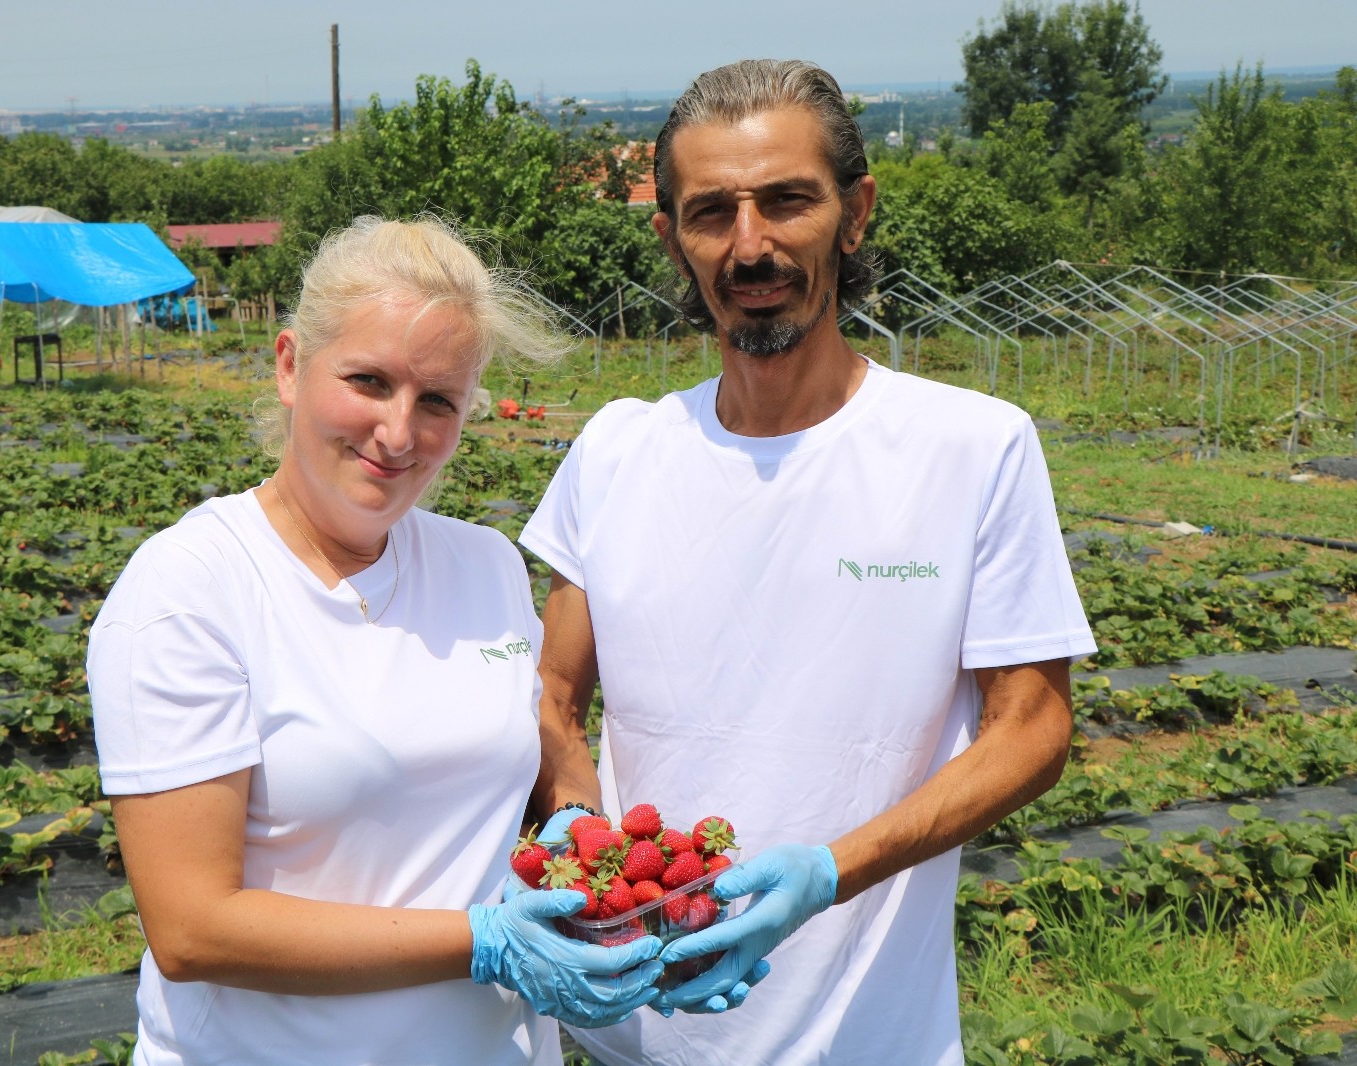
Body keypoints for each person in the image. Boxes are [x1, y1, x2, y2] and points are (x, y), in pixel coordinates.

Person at [519, 60, 1097, 1065]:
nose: (751, 246)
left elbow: (1034, 726)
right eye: (710, 213)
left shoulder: (969, 447)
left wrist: (829, 871)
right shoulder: (617, 451)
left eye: (787, 201)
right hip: (629, 1041)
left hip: (868, 1042)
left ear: (855, 212)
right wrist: (584, 836)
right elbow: (551, 695)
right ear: (671, 238)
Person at [88, 215, 666, 1066]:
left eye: (438, 400)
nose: (400, 433)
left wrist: (593, 859)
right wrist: (484, 942)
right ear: (290, 365)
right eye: (368, 381)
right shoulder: (190, 593)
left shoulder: (484, 566)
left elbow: (542, 729)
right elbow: (194, 929)